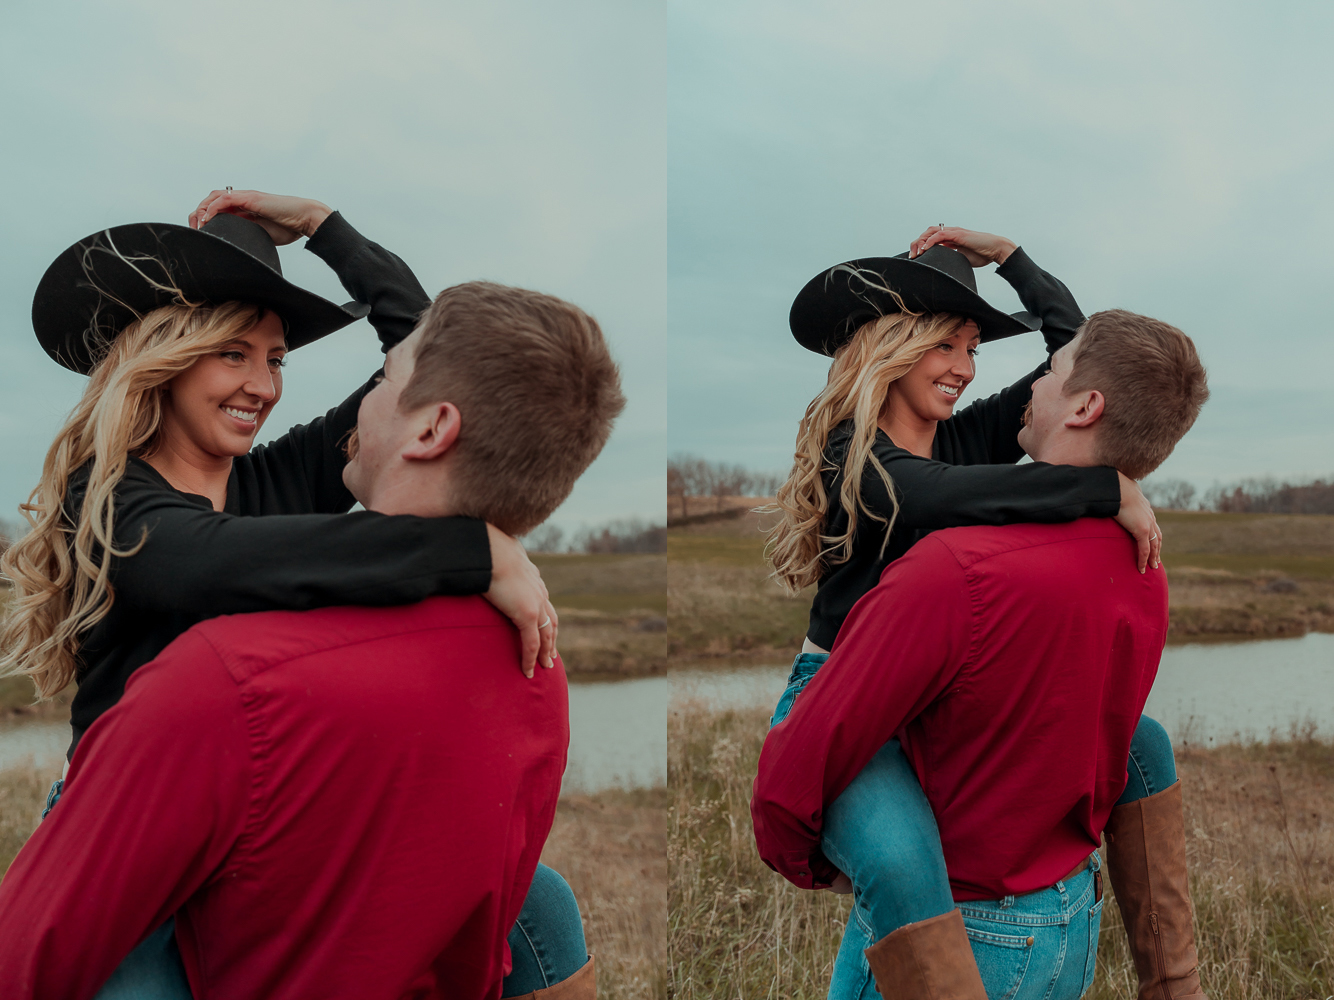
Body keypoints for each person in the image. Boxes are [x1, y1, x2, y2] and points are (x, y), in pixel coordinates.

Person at [0, 191, 582, 996]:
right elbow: (199, 563)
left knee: (543, 908)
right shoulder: (106, 496)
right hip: (134, 829)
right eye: (233, 353)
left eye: (275, 359)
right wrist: (468, 549)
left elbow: (422, 361)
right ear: (169, 357)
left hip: (270, 812)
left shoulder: (277, 476)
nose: (263, 385)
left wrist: (323, 228)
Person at [759, 226, 1187, 997]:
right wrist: (1103, 491)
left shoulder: (965, 435)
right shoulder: (853, 453)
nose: (965, 367)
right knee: (899, 859)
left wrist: (1012, 258)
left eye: (973, 350)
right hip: (847, 700)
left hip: (931, 691)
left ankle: (1175, 980)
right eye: (946, 346)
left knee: (1146, 745)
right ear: (894, 344)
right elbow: (936, 496)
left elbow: (1081, 363)